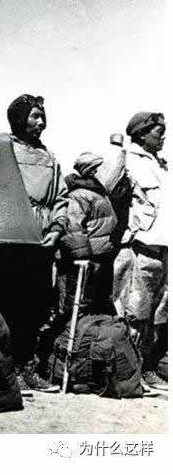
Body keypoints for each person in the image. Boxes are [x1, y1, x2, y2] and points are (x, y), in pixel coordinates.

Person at [0, 94, 68, 393]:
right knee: (7, 303)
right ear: (19, 119)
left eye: (42, 116)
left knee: (34, 306)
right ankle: (5, 371)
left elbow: (61, 198)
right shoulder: (2, 150)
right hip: (10, 236)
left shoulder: (49, 158)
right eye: (34, 116)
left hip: (41, 239)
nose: (41, 122)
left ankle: (27, 368)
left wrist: (57, 228)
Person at [113, 112, 167, 391]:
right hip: (140, 247)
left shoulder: (162, 165)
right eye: (159, 132)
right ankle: (129, 372)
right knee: (134, 312)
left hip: (162, 248)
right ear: (142, 134)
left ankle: (146, 368)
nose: (164, 137)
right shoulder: (128, 161)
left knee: (157, 315)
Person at [56, 152, 118, 323]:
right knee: (75, 300)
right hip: (83, 260)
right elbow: (73, 226)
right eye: (101, 168)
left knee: (90, 300)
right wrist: (82, 256)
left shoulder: (98, 192)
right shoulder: (79, 194)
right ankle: (67, 333)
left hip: (98, 257)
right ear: (91, 171)